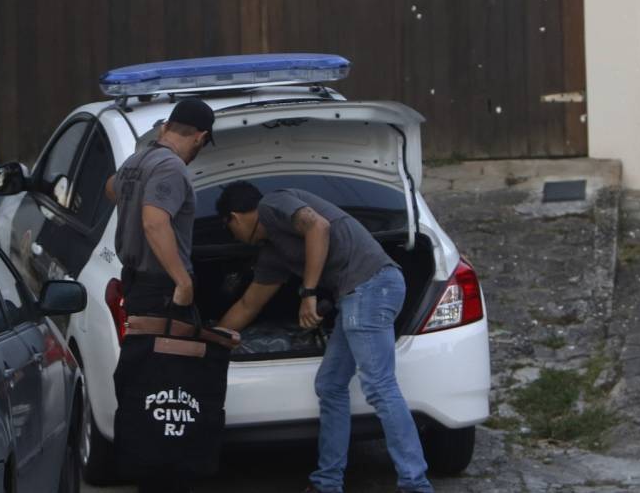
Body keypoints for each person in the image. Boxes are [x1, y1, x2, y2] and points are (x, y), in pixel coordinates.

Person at [213, 181, 432, 493]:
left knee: (380, 386)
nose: (231, 236)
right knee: (330, 385)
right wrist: (212, 337)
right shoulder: (274, 254)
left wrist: (309, 292)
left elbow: (318, 226)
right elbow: (248, 305)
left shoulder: (273, 203)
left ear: (234, 217)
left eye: (228, 228)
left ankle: (416, 485)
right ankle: (328, 483)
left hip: (371, 284)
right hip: (357, 296)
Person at [104, 98, 214, 493]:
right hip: (159, 291)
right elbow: (154, 222)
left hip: (136, 282)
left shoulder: (138, 160)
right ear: (200, 137)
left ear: (168, 125)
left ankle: (148, 468)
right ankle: (163, 476)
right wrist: (181, 281)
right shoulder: (169, 166)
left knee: (146, 379)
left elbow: (111, 188)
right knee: (168, 386)